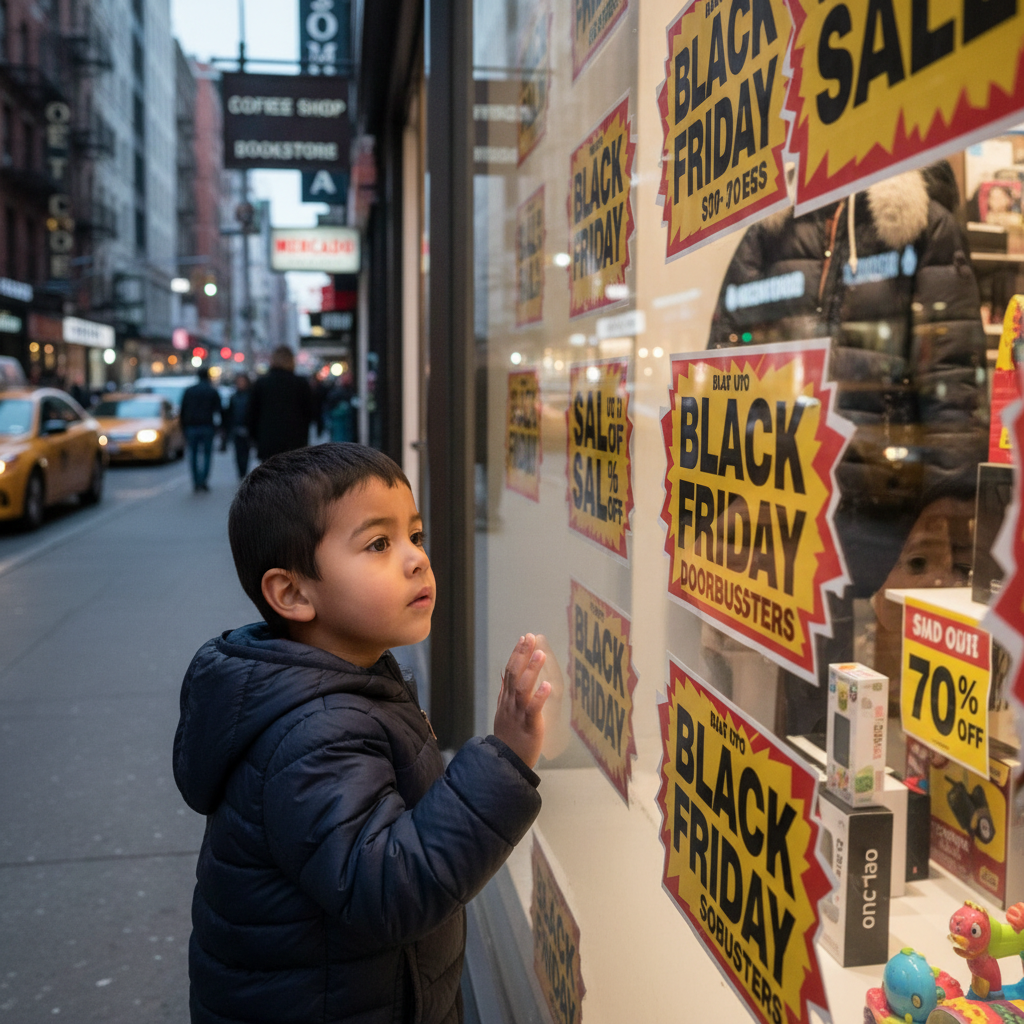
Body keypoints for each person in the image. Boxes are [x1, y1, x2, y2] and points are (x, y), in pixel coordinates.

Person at [172, 443, 550, 1024]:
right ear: (293, 594)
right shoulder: (314, 733)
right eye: (379, 544)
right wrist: (504, 761)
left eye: (414, 536)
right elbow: (387, 887)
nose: (417, 559)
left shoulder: (352, 677)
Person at [246, 344, 314, 461]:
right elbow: (310, 412)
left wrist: (254, 437)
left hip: (268, 439)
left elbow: (252, 413)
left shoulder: (262, 383)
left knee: (269, 475)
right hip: (295, 440)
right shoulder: (300, 383)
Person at [179, 367, 224, 492]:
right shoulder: (212, 391)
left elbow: (183, 411)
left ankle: (196, 481)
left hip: (192, 427)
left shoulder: (189, 391)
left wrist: (183, 427)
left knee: (193, 454)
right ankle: (203, 480)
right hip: (207, 426)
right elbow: (219, 411)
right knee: (207, 454)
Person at [224, 373, 253, 479]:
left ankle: (244, 472)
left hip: (247, 428)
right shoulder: (234, 397)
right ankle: (241, 473)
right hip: (236, 428)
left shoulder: (251, 396)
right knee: (238, 453)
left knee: (246, 452)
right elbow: (230, 413)